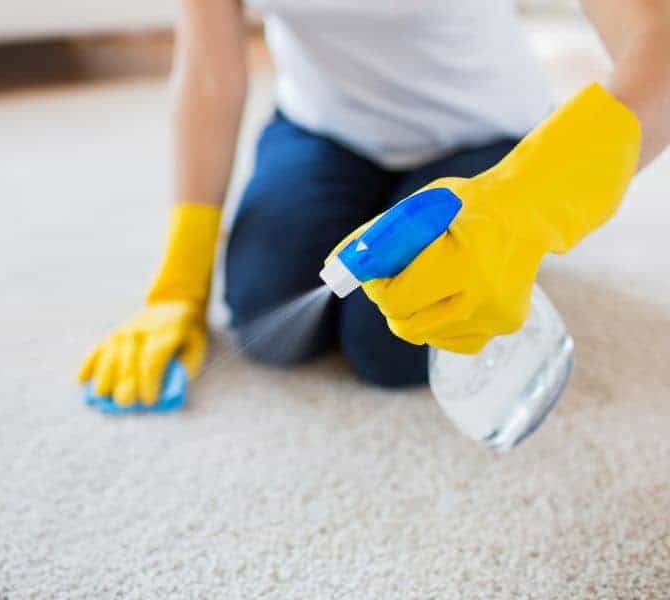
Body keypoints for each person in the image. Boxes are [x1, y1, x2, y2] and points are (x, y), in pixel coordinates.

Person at [78, 0, 670, 407]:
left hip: (481, 136)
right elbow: (209, 71)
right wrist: (179, 284)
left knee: (392, 346)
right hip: (325, 127)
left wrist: (531, 203)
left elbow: (658, 40)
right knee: (267, 321)